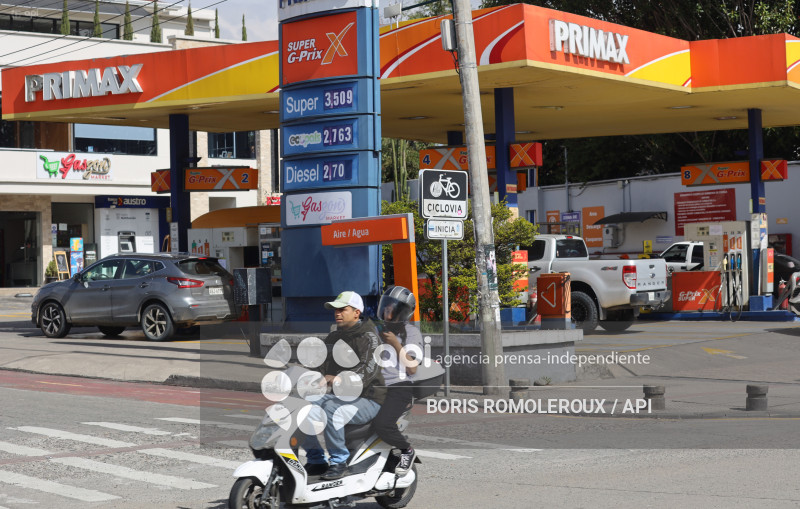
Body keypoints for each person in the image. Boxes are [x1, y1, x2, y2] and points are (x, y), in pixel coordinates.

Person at [303, 291, 386, 480]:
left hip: (370, 399)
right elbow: (320, 366)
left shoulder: (370, 337)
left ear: (357, 313)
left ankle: (339, 462)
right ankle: (316, 460)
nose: (337, 313)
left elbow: (369, 369)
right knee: (302, 407)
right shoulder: (334, 337)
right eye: (335, 310)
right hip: (341, 397)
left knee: (333, 409)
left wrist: (340, 379)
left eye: (342, 309)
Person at [372, 285, 421, 475]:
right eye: (386, 306)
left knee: (382, 424)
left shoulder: (411, 333)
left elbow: (412, 367)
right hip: (373, 386)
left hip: (398, 388)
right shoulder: (376, 330)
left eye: (393, 308)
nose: (387, 311)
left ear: (403, 312)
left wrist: (395, 343)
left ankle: (406, 450)